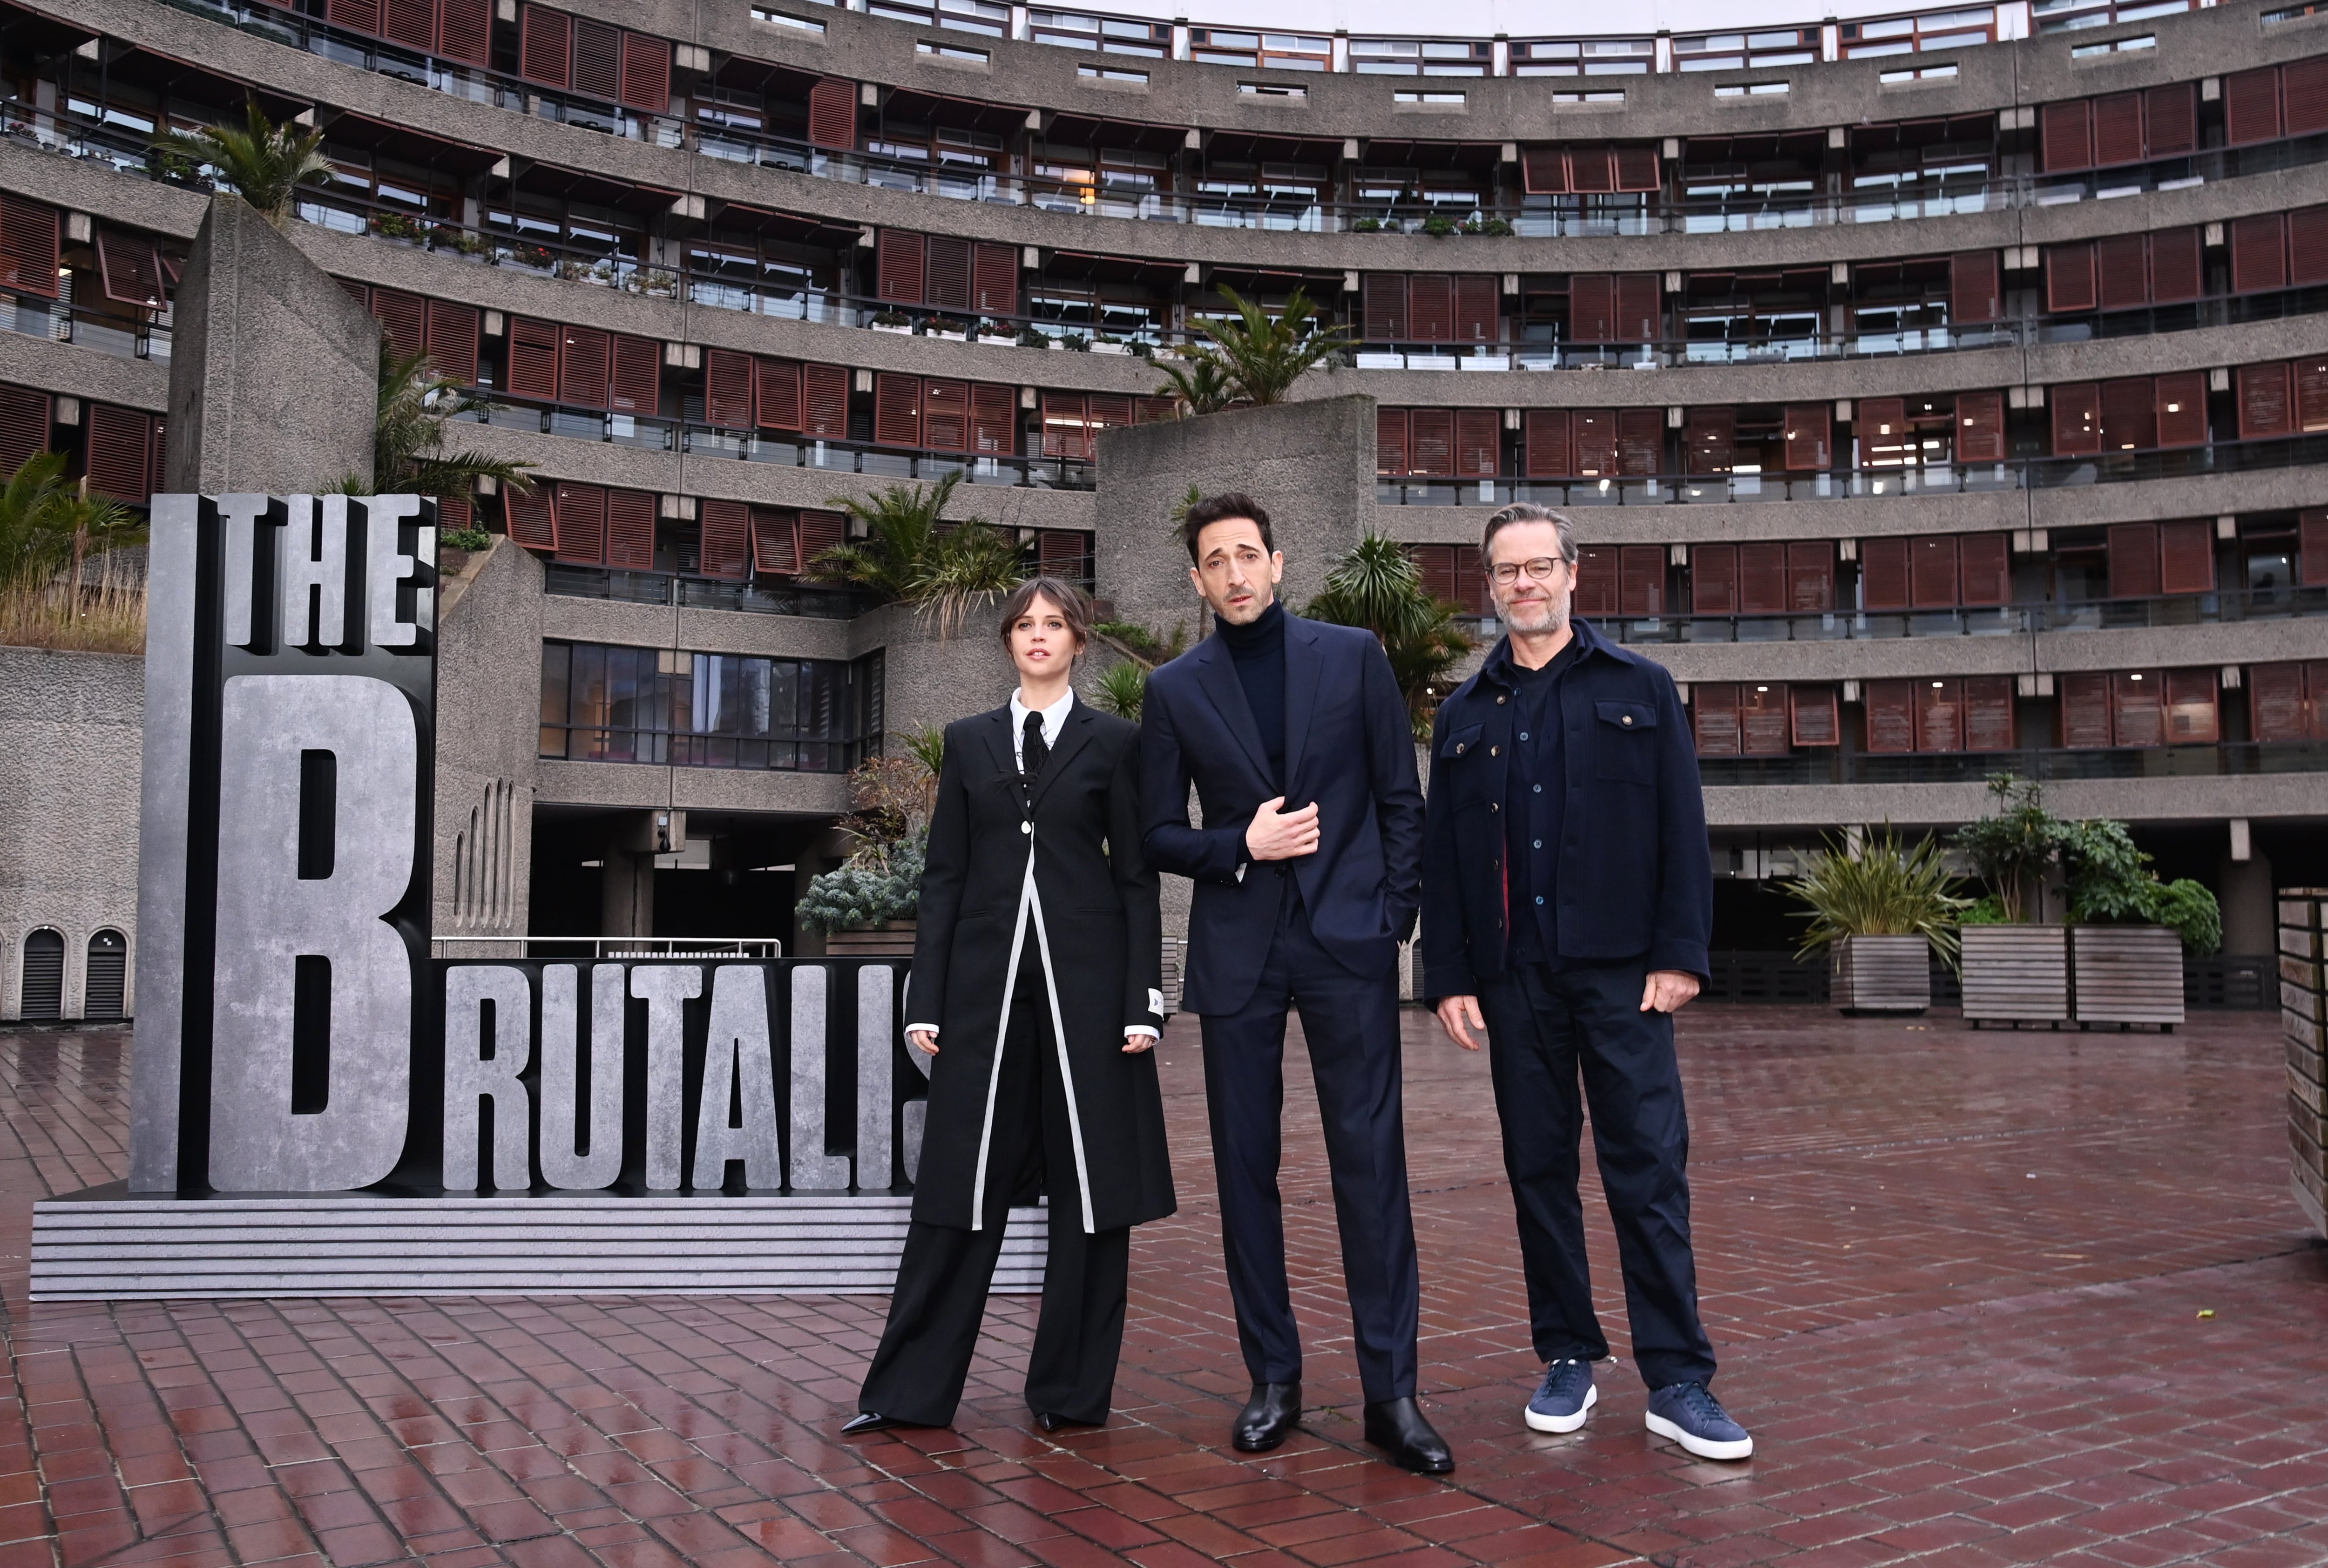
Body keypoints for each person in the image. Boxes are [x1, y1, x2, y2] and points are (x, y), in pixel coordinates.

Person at [1418, 502, 1750, 1461]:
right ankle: (1567, 1353)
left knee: (1647, 1169)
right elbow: (1443, 857)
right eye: (1505, 572)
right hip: (1511, 979)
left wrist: (1681, 953)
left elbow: (1680, 832)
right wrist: (1447, 973)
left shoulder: (1640, 689)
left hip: (1622, 980)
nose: (1523, 584)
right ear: (1488, 587)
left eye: (1539, 567)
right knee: (1537, 1171)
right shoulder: (1467, 710)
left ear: (1572, 573)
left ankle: (1678, 1378)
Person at [1139, 494, 1449, 1475]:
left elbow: (1402, 801)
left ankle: (1390, 1393)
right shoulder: (1176, 689)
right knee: (1243, 1171)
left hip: (1345, 943)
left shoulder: (1352, 654)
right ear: (1195, 580)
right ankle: (1272, 1378)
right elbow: (1154, 832)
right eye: (1213, 561)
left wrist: (1387, 918)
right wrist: (1241, 843)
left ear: (1277, 563)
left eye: (1247, 555)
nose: (1233, 574)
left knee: (1371, 1167)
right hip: (1238, 953)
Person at [846, 577, 1173, 1437]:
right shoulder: (968, 741)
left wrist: (1145, 999)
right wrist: (928, 995)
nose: (1038, 637)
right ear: (1008, 642)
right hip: (986, 997)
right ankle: (906, 1395)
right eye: (1025, 625)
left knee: (1092, 1197)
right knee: (960, 1188)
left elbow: (1138, 881)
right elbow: (945, 877)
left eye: (1054, 625)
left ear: (1078, 643)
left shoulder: (1116, 742)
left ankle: (1070, 1397)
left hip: (1091, 1001)